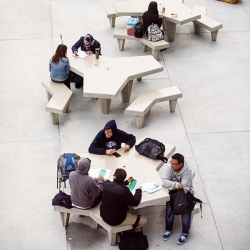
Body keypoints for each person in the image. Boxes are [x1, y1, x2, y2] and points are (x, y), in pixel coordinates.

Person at [162, 153, 194, 245]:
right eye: (171, 163)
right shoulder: (170, 167)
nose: (172, 166)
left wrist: (171, 184)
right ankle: (168, 229)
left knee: (186, 210)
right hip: (172, 194)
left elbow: (184, 188)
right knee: (169, 209)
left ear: (181, 164)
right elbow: (164, 181)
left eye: (174, 164)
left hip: (186, 195)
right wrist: (176, 185)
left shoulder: (187, 171)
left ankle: (185, 233)